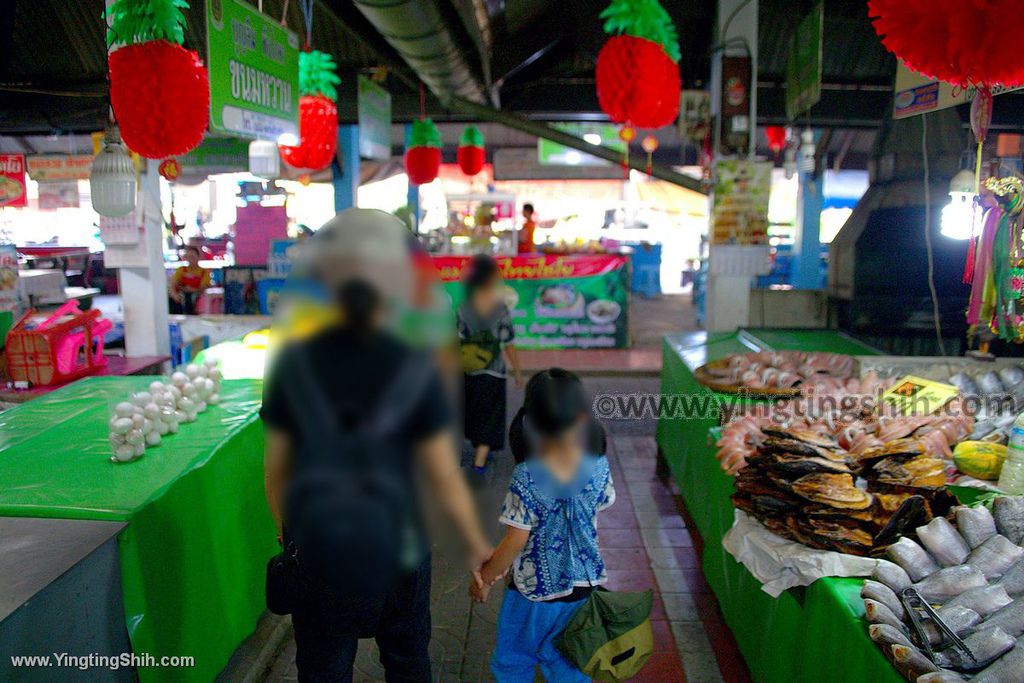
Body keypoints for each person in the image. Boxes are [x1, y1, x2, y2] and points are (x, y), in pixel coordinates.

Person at [262, 209, 493, 682]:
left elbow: (276, 467)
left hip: (320, 534)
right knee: (407, 656)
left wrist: (290, 535)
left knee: (324, 664)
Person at [470, 369, 615, 682]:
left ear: (530, 422)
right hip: (584, 588)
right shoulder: (600, 466)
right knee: (571, 662)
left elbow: (515, 541)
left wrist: (485, 577)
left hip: (534, 594)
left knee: (514, 660)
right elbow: (597, 508)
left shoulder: (527, 476)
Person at [457, 254, 522, 476]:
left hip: (468, 370)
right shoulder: (499, 308)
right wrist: (518, 372)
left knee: (474, 411)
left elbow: (456, 338)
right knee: (491, 415)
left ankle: (479, 451)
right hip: (494, 371)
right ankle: (479, 463)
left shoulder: (464, 307)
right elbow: (509, 342)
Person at [169, 246, 210, 314]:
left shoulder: (204, 272)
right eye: (188, 257)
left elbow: (203, 288)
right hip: (181, 299)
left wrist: (192, 290)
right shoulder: (181, 270)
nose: (190, 260)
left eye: (192, 257)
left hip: (196, 300)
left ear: (198, 257)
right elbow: (173, 284)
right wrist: (174, 294)